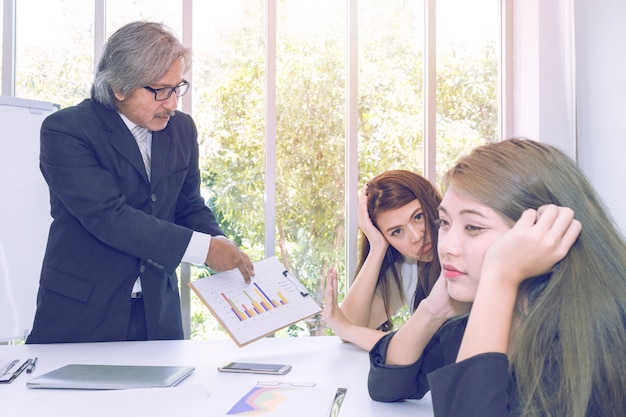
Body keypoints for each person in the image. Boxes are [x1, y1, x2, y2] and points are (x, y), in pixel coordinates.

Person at [26, 21, 254, 344]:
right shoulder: (66, 131)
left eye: (178, 88)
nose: (172, 103)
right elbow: (111, 218)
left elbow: (188, 206)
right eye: (161, 91)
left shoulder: (182, 130)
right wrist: (205, 250)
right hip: (81, 319)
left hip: (158, 318)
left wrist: (219, 241)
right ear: (120, 88)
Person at [366, 138, 626, 416]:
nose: (446, 246)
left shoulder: (590, 340)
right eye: (445, 223)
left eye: (473, 227)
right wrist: (434, 309)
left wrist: (499, 278)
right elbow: (388, 386)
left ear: (542, 232)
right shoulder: (468, 322)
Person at [324, 170, 442, 351]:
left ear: (432, 205)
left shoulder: (469, 257)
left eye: (418, 217)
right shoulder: (408, 267)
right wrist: (377, 248)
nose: (416, 236)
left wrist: (347, 329)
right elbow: (351, 327)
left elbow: (420, 349)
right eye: (396, 232)